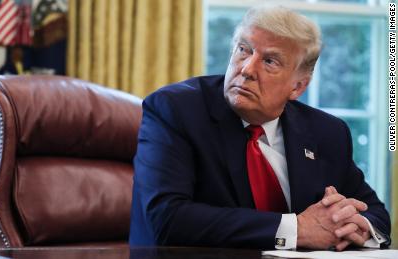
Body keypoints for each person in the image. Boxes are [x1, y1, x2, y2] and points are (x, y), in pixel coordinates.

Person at [129, 5, 391, 250]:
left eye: (270, 61)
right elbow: (168, 219)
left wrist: (357, 226)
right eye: (244, 49)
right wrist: (297, 229)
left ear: (298, 87)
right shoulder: (176, 110)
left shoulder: (326, 132)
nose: (247, 69)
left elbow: (376, 213)